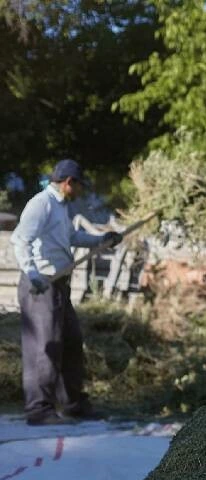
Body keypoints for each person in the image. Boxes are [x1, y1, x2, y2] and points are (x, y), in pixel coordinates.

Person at [11, 159, 123, 426]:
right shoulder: (41, 204)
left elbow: (70, 238)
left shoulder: (61, 208)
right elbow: (20, 240)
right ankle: (39, 409)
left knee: (71, 342)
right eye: (80, 185)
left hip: (59, 285)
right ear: (68, 182)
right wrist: (33, 274)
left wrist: (100, 240)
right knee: (45, 346)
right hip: (41, 285)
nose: (81, 191)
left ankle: (74, 404)